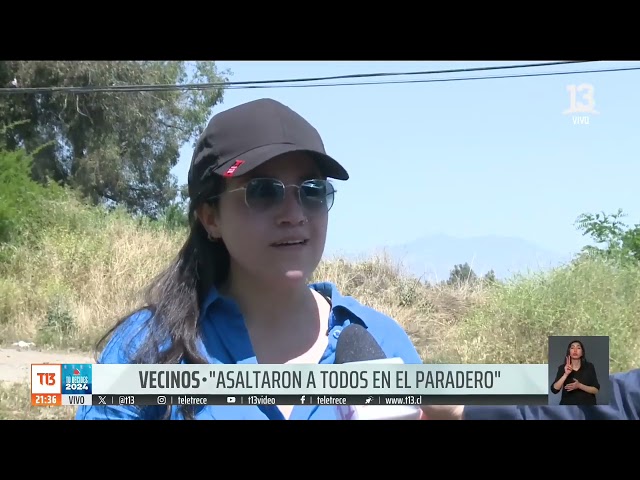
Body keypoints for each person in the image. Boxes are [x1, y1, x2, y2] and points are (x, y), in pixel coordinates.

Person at [76, 98, 424, 420]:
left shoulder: (380, 341)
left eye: (312, 191)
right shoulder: (146, 348)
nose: (294, 213)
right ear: (211, 217)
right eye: (262, 191)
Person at [549, 340, 600, 405]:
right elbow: (554, 390)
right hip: (568, 409)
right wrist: (565, 374)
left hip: (587, 407)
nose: (575, 350)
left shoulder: (589, 367)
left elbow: (595, 390)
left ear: (582, 353)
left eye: (578, 348)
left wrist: (579, 386)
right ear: (569, 352)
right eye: (572, 348)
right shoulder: (562, 368)